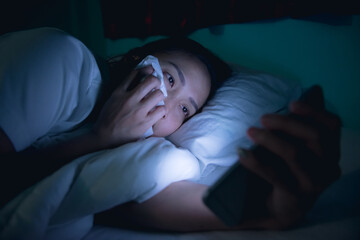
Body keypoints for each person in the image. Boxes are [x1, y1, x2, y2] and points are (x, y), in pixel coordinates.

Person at [0, 27, 341, 231]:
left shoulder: (136, 151)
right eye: (170, 77)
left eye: (184, 109)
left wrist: (279, 210)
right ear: (135, 61)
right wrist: (99, 137)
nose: (165, 101)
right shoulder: (62, 61)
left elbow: (163, 204)